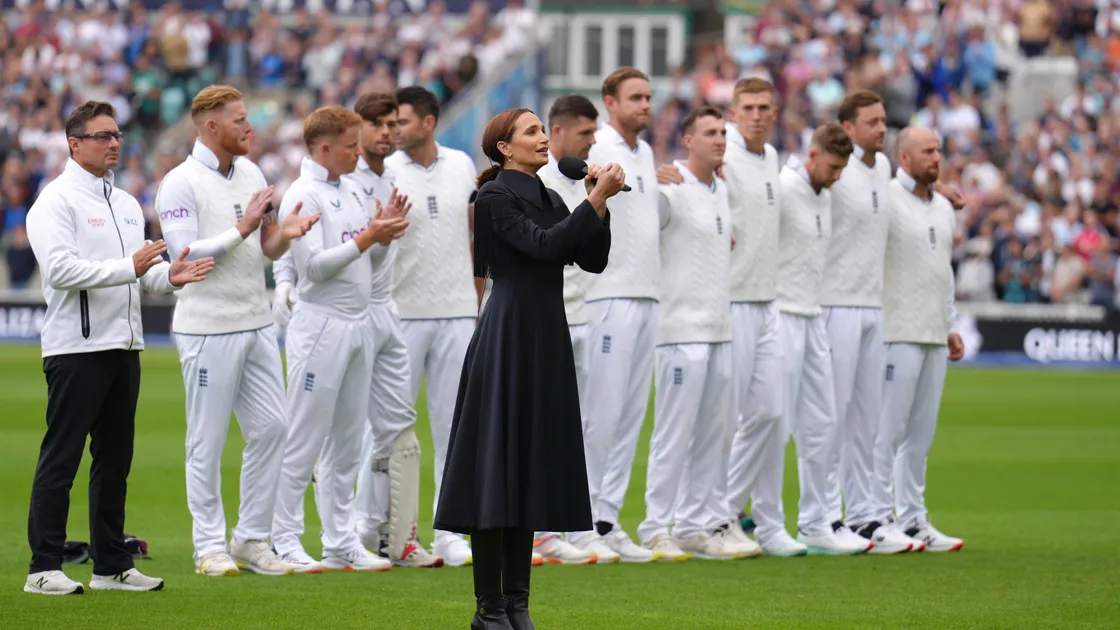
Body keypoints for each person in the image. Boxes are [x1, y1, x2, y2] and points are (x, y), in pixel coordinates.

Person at [434, 107, 619, 630]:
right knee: (498, 469)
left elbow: (592, 259)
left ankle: (516, 604)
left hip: (544, 334)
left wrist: (599, 208)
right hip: (509, 333)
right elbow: (544, 247)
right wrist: (595, 200)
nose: (543, 139)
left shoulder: (552, 196)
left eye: (542, 130)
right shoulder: (494, 197)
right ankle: (489, 608)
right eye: (532, 132)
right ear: (504, 148)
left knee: (524, 471)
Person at [24, 100, 214, 594]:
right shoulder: (55, 201)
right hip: (75, 350)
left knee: (114, 461)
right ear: (74, 144)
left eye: (116, 135)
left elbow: (141, 273)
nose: (113, 143)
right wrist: (130, 268)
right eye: (102, 136)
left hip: (124, 347)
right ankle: (43, 568)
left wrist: (167, 277)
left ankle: (110, 565)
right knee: (61, 459)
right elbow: (61, 271)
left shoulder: (126, 203)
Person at [272, 92, 443, 569]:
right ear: (323, 148)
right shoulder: (302, 195)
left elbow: (367, 260)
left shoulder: (348, 189)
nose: (357, 153)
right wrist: (370, 237)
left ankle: (340, 541)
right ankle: (283, 539)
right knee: (305, 438)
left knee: (348, 441)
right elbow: (314, 269)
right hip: (320, 324)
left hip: (358, 322)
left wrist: (384, 236)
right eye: (349, 145)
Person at [155, 85, 318, 577]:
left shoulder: (250, 172)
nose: (250, 128)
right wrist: (244, 229)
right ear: (211, 127)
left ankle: (249, 537)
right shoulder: (179, 183)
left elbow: (264, 248)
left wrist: (281, 236)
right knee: (206, 440)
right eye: (240, 121)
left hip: (257, 322)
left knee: (273, 428)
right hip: (208, 327)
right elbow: (184, 254)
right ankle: (208, 546)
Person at [656, 78, 780, 557]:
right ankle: (690, 521)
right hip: (711, 311)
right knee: (691, 426)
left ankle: (713, 516)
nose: (752, 116)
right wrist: (654, 176)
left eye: (762, 107)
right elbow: (659, 207)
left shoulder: (758, 168)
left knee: (754, 416)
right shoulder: (689, 177)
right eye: (743, 109)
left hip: (748, 309)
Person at [637, 106, 756, 561]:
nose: (720, 140)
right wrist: (649, 180)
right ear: (687, 140)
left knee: (713, 433)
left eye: (722, 133)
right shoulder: (671, 185)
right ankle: (654, 526)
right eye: (709, 133)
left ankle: (693, 525)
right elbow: (638, 213)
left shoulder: (720, 188)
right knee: (673, 433)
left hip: (719, 329)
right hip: (680, 331)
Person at [385, 86, 480, 566]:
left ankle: (448, 535)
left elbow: (475, 230)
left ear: (427, 122)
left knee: (455, 430)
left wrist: (479, 296)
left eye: (401, 121)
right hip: (402, 315)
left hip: (458, 311)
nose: (393, 130)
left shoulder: (462, 165)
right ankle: (384, 533)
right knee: (387, 430)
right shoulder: (385, 170)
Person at [817, 90, 912, 554]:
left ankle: (867, 516)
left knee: (867, 422)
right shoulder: (836, 171)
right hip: (834, 304)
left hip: (873, 306)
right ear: (848, 128)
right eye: (873, 122)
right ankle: (827, 516)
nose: (882, 129)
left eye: (883, 122)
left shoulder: (885, 171)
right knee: (831, 418)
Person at [572, 67, 661, 563]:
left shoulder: (645, 153)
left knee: (628, 417)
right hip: (608, 295)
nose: (645, 104)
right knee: (600, 416)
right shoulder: (598, 148)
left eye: (648, 97)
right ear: (610, 101)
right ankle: (580, 521)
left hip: (648, 293)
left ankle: (607, 520)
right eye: (635, 97)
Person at [769, 123, 867, 556]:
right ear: (812, 156)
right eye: (833, 166)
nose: (838, 176)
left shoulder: (822, 195)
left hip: (812, 315)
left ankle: (816, 522)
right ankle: (760, 521)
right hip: (780, 313)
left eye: (843, 168)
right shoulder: (783, 188)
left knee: (824, 423)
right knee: (775, 422)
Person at [866, 126, 965, 552]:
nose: (936, 158)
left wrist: (951, 323)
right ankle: (873, 518)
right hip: (896, 332)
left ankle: (912, 519)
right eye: (927, 151)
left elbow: (942, 270)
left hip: (932, 334)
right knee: (885, 433)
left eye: (939, 150)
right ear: (903, 158)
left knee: (920, 437)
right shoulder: (885, 198)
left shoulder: (944, 206)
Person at [533, 93, 614, 565]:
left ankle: (569, 526)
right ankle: (540, 530)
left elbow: (593, 255)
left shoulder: (580, 180)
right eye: (584, 134)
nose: (591, 143)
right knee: (544, 426)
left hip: (581, 314)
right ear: (558, 132)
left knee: (576, 428)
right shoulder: (537, 184)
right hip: (546, 318)